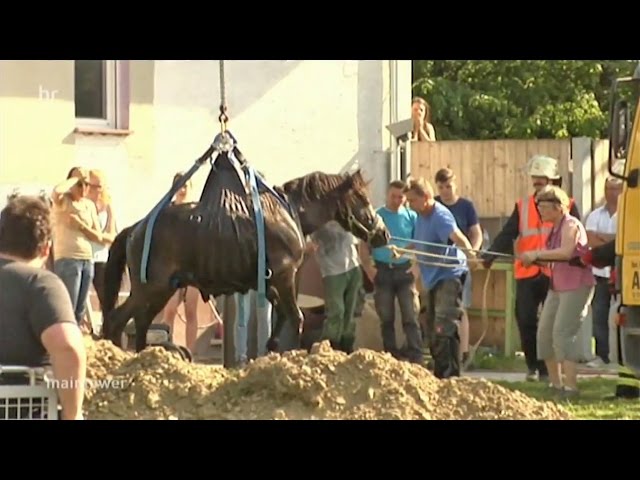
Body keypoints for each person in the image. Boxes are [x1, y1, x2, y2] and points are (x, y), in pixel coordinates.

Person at [481, 155, 580, 382]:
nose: (537, 182)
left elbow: (575, 240)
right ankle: (533, 366)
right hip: (526, 271)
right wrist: (490, 256)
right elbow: (508, 234)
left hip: (555, 272)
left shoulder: (569, 206)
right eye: (534, 178)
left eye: (541, 178)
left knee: (553, 323)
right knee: (525, 319)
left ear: (552, 179)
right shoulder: (522, 205)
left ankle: (552, 370)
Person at [0, 195, 86, 420]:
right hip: (22, 408)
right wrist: (72, 415)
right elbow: (67, 346)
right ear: (47, 249)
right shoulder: (40, 283)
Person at [518, 186, 595, 397]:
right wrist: (533, 258)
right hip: (557, 286)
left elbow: (567, 252)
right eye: (539, 206)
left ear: (559, 208)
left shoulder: (571, 225)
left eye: (544, 207)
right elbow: (553, 256)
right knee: (544, 334)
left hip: (576, 286)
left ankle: (571, 387)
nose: (540, 211)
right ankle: (556, 385)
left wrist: (535, 254)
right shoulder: (554, 227)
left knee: (562, 333)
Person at [403, 177, 479, 378]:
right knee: (431, 325)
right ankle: (439, 372)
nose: (409, 205)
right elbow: (421, 240)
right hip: (432, 277)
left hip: (449, 274)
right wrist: (403, 249)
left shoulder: (440, 215)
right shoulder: (421, 215)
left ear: (426, 197)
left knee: (444, 324)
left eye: (412, 200)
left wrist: (471, 255)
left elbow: (458, 237)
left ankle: (450, 374)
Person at [360, 180, 423, 363]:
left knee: (410, 315)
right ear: (387, 195)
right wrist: (369, 268)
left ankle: (416, 355)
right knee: (386, 317)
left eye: (400, 197)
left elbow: (421, 242)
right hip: (382, 270)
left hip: (405, 270)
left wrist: (417, 267)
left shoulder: (412, 216)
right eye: (393, 196)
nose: (396, 200)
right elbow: (364, 245)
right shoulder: (376, 216)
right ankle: (390, 355)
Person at [434, 167, 482, 366]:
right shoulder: (434, 205)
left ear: (455, 185)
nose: (446, 190)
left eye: (448, 186)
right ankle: (440, 352)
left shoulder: (465, 206)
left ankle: (462, 352)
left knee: (460, 308)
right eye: (442, 187)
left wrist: (472, 253)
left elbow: (475, 233)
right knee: (437, 309)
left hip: (459, 263)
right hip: (435, 263)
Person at [51, 167, 106, 327]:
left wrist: (81, 226)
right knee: (68, 306)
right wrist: (74, 178)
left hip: (87, 259)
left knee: (79, 309)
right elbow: (56, 191)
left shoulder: (89, 205)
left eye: (86, 184)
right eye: (79, 184)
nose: (83, 188)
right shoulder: (63, 201)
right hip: (68, 259)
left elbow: (99, 237)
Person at [584, 171, 623, 367]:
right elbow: (590, 240)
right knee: (599, 314)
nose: (612, 193)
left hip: (621, 274)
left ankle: (620, 356)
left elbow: (622, 242)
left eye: (615, 188)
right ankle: (602, 355)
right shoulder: (594, 215)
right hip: (599, 274)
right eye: (608, 188)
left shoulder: (628, 214)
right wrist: (613, 239)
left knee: (618, 317)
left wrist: (605, 239)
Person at [307, 221, 363, 353]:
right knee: (336, 311)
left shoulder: (343, 214)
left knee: (351, 311)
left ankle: (347, 346)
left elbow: (357, 240)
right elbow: (306, 245)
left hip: (353, 266)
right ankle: (330, 346)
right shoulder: (314, 219)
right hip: (332, 272)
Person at [162, 172, 201, 353]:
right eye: (179, 185)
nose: (182, 189)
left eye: (185, 185)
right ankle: (166, 349)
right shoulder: (167, 211)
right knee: (169, 310)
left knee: (191, 310)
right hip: (172, 267)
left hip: (193, 267)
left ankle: (190, 352)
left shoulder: (196, 211)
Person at [86, 169, 118, 313]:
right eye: (92, 186)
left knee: (107, 298)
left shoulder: (107, 206)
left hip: (101, 257)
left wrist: (98, 236)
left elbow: (111, 235)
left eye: (99, 186)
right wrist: (99, 236)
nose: (96, 190)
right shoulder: (83, 205)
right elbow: (85, 233)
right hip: (85, 256)